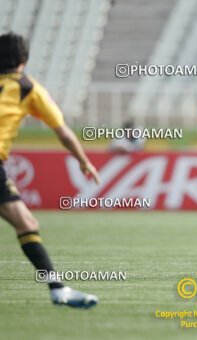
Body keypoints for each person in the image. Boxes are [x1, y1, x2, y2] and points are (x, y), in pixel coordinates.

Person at [0, 32, 100, 308]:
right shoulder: (26, 86)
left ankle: (57, 289)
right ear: (23, 59)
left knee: (26, 223)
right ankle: (57, 289)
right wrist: (83, 161)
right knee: (27, 225)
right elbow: (63, 132)